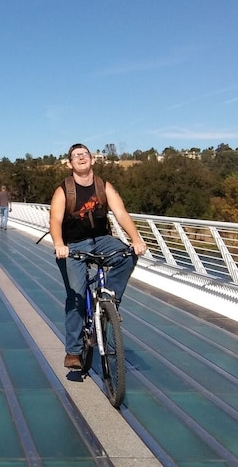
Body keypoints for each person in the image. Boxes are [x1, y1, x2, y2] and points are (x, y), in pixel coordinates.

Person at [50, 143, 147, 370]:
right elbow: (54, 220)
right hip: (73, 245)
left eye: (84, 154)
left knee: (127, 256)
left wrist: (136, 239)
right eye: (76, 156)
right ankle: (73, 352)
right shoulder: (64, 190)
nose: (81, 158)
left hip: (101, 239)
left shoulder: (103, 186)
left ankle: (109, 300)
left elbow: (121, 212)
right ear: (70, 163)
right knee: (75, 296)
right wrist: (59, 244)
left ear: (92, 160)